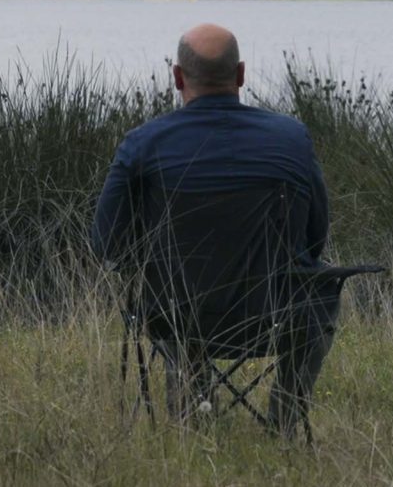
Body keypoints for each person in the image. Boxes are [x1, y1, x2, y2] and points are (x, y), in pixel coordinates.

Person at [91, 24, 333, 431]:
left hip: (175, 317)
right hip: (276, 317)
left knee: (171, 298)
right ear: (240, 75)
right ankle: (285, 419)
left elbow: (106, 244)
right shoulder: (292, 138)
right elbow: (315, 235)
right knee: (323, 291)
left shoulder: (142, 144)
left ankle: (191, 418)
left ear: (177, 77)